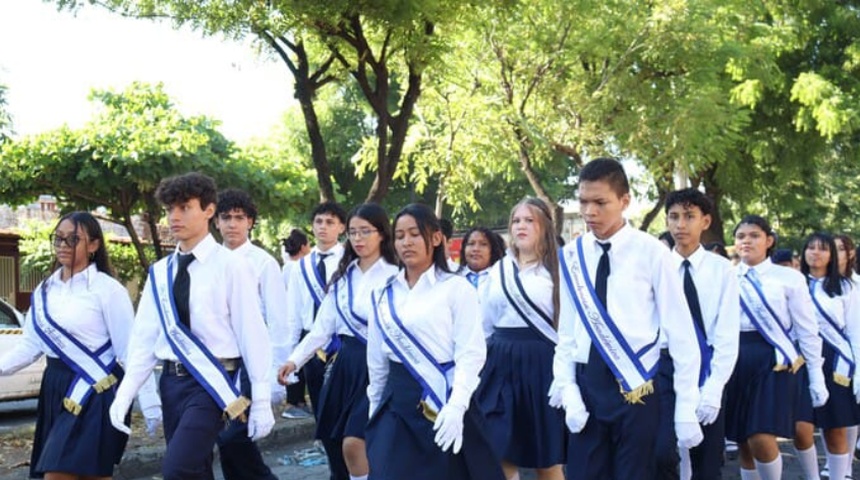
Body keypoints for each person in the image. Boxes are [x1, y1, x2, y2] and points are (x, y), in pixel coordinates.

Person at [108, 172, 274, 480]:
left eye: (184, 207)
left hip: (212, 382)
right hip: (171, 383)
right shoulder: (160, 272)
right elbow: (144, 340)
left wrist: (262, 399)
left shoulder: (232, 265)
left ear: (209, 210)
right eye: (170, 209)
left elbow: (252, 333)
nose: (174, 217)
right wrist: (126, 394)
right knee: (195, 472)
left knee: (177, 470)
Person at [552, 158, 703, 480]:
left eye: (600, 202)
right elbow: (566, 331)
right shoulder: (571, 256)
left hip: (637, 383)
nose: (589, 211)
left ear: (624, 201)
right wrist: (567, 387)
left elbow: (681, 332)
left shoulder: (652, 253)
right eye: (583, 202)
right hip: (586, 382)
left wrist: (687, 404)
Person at [0, 212, 160, 480]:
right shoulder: (44, 291)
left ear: (94, 245)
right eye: (59, 238)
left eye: (73, 239)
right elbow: (30, 346)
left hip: (94, 392)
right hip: (54, 386)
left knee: (59, 474)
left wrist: (150, 401)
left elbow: (129, 351)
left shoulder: (108, 290)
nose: (63, 244)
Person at [365, 203, 504, 480]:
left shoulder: (456, 288)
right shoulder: (383, 293)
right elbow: (376, 359)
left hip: (446, 397)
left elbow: (471, 353)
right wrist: (374, 406)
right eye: (400, 235)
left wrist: (456, 406)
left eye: (415, 234)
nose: (406, 242)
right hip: (397, 402)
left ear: (437, 238)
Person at [279, 203, 399, 480]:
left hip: (379, 366)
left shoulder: (396, 274)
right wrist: (294, 360)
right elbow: (322, 327)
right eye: (354, 232)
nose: (358, 238)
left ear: (382, 233)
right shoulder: (344, 275)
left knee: (355, 442)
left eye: (365, 232)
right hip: (345, 364)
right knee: (333, 441)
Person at [724, 215, 827, 480]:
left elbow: (807, 329)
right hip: (734, 356)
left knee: (761, 435)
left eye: (754, 235)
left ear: (769, 240)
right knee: (744, 441)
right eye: (741, 236)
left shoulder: (789, 278)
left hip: (774, 359)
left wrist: (816, 376)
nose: (747, 241)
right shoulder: (725, 276)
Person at [475, 198, 566, 480]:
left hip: (542, 365)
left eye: (529, 220)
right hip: (500, 363)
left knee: (545, 461)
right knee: (499, 449)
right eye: (516, 221)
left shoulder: (560, 269)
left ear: (544, 227)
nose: (521, 226)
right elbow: (484, 323)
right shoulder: (499, 270)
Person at [655, 188, 740, 480]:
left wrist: (715, 386)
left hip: (708, 367)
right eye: (674, 217)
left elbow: (728, 333)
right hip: (664, 368)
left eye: (689, 217)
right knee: (662, 453)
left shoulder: (721, 270)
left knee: (707, 460)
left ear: (705, 221)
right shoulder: (657, 267)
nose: (680, 225)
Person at [214, 188, 285, 480]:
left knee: (235, 437)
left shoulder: (263, 263)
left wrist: (273, 376)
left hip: (247, 363)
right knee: (223, 440)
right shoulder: (207, 261)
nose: (232, 224)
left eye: (239, 218)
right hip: (213, 362)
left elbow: (278, 322)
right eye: (226, 217)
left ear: (250, 222)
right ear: (215, 221)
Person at [284, 201, 348, 479]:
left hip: (345, 349)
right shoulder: (301, 267)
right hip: (313, 350)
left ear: (342, 227)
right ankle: (337, 471)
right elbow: (293, 314)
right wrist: (291, 359)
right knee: (324, 418)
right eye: (319, 221)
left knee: (348, 419)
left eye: (330, 222)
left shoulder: (351, 259)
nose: (323, 227)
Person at [793, 233, 860, 480]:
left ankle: (839, 476)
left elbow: (855, 331)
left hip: (835, 360)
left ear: (832, 254)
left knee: (834, 430)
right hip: (800, 360)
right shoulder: (793, 283)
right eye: (810, 247)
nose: (816, 253)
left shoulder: (846, 287)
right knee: (800, 429)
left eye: (823, 249)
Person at [280, 228, 312, 417]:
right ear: (303, 246)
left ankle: (298, 400)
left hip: (292, 318)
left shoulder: (287, 266)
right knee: (297, 361)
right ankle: (295, 401)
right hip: (297, 319)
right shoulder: (298, 268)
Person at [457, 226, 505, 299]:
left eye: (483, 244)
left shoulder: (502, 277)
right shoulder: (454, 277)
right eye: (471, 243)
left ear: (492, 250)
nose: (476, 249)